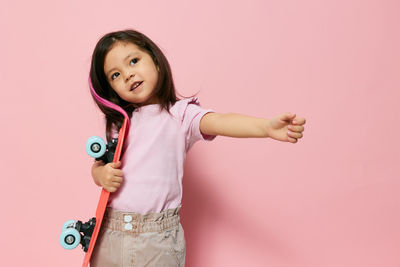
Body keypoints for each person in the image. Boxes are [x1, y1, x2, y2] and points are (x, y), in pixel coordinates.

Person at [88, 29, 306, 267]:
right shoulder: (119, 122)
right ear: (111, 90)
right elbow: (100, 164)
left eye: (134, 61)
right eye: (116, 75)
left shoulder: (179, 114)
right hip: (111, 233)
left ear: (157, 62)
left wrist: (266, 128)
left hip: (157, 240)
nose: (129, 74)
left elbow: (221, 121)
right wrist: (100, 174)